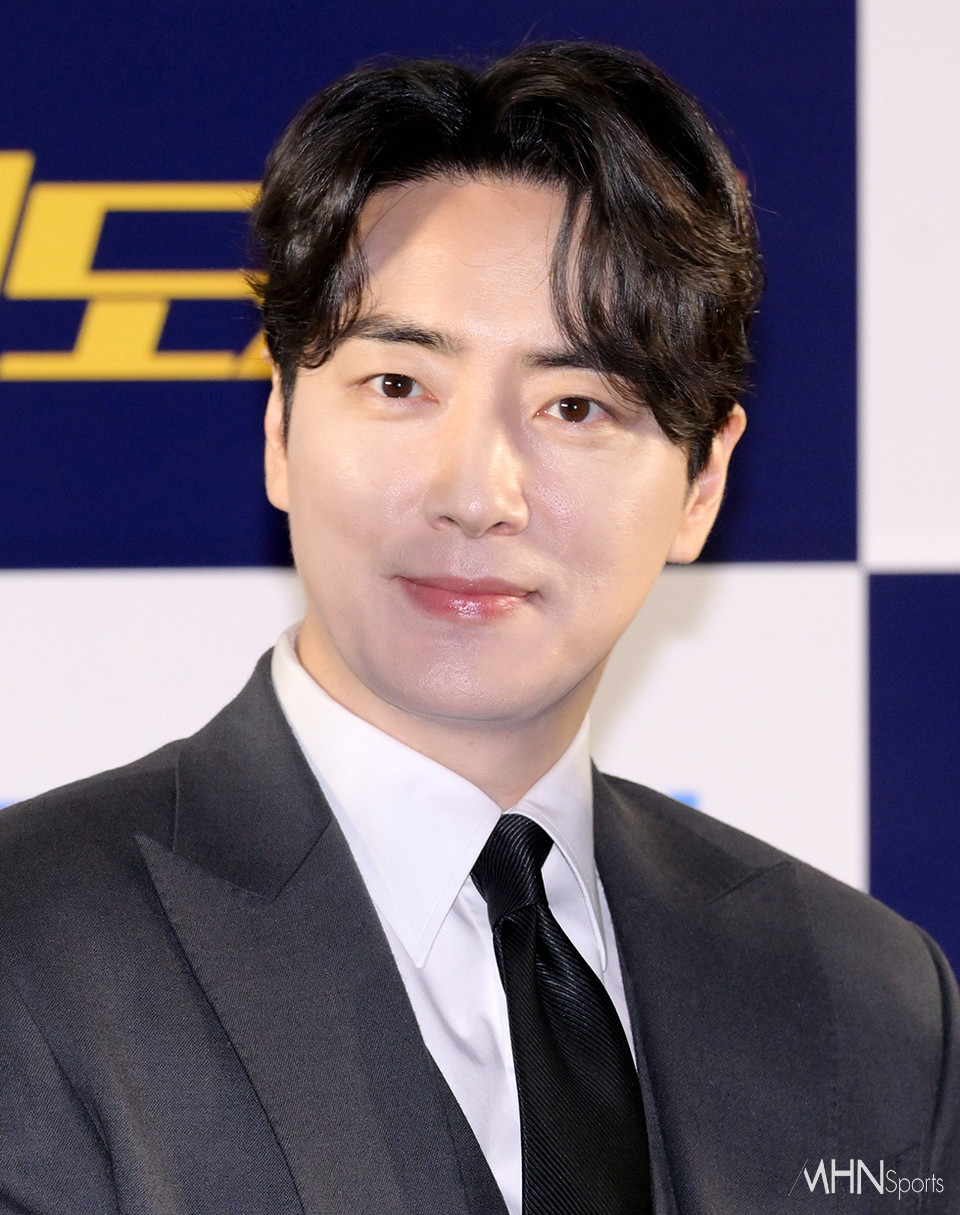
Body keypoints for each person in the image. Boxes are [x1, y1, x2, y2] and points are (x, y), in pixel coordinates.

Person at [0, 41, 956, 1215]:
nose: (477, 493)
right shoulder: (29, 948)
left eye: (576, 406)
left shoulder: (873, 1004)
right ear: (280, 430)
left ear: (702, 485)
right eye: (400, 386)